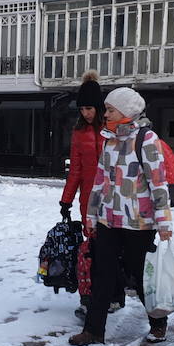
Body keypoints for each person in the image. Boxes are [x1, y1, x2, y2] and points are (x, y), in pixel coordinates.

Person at [69, 86, 173, 346]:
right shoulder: (110, 140)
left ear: (125, 111)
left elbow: (158, 183)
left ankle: (158, 323)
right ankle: (94, 331)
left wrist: (164, 222)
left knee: (140, 276)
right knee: (102, 274)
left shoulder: (146, 139)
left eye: (110, 109)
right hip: (109, 220)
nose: (105, 114)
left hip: (139, 223)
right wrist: (92, 216)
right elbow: (99, 182)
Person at [59, 71, 119, 317]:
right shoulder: (78, 133)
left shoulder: (113, 130)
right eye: (82, 109)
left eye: (89, 108)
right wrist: (66, 199)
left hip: (112, 199)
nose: (85, 113)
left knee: (111, 250)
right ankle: (88, 298)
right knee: (90, 250)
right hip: (88, 201)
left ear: (98, 106)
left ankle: (114, 295)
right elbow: (75, 169)